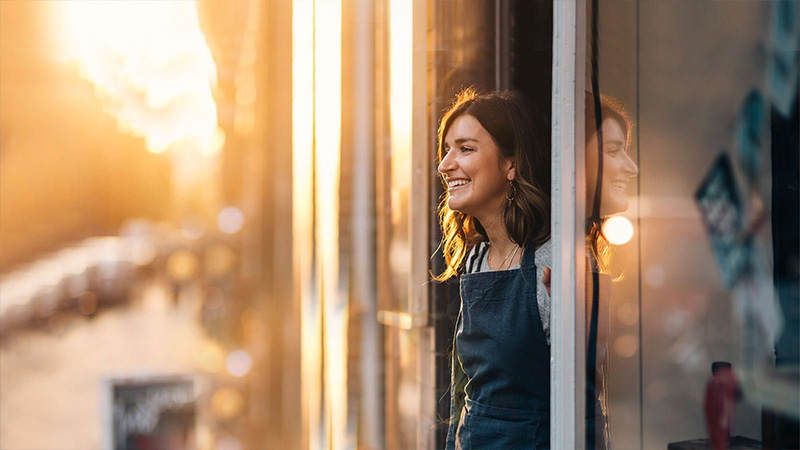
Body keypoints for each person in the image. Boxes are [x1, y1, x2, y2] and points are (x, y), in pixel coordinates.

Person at [435, 88, 552, 449]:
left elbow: (587, 396)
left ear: (510, 164)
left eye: (465, 149)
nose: (444, 165)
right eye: (447, 150)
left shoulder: (551, 261)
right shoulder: (476, 259)